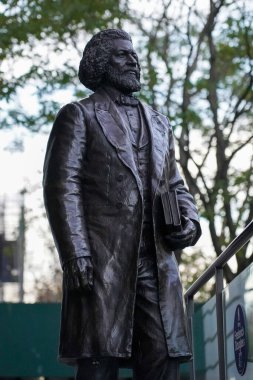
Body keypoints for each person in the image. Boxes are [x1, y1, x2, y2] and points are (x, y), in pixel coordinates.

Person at [43, 29, 201, 380]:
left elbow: (175, 185)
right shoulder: (79, 116)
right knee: (100, 358)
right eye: (122, 55)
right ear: (100, 64)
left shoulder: (160, 124)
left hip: (157, 262)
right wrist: (76, 254)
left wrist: (189, 222)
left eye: (134, 54)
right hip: (104, 259)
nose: (133, 60)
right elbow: (61, 188)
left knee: (164, 357)